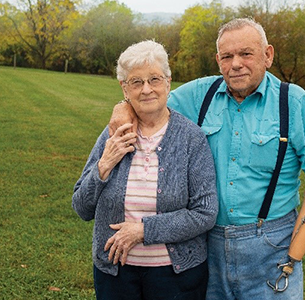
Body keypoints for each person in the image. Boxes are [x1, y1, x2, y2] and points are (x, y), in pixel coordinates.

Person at [109, 18, 305, 299]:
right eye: (227, 56)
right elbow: (149, 100)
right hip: (209, 244)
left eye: (246, 54)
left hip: (272, 245)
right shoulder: (199, 94)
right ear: (218, 60)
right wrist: (122, 108)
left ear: (268, 55)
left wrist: (295, 252)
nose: (236, 64)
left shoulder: (292, 101)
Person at [72, 40, 218, 300]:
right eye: (136, 82)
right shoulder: (113, 135)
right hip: (115, 275)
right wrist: (104, 166)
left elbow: (205, 213)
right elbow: (82, 208)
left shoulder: (191, 139)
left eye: (154, 79)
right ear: (124, 89)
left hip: (177, 276)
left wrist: (143, 230)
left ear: (168, 82)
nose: (147, 89)